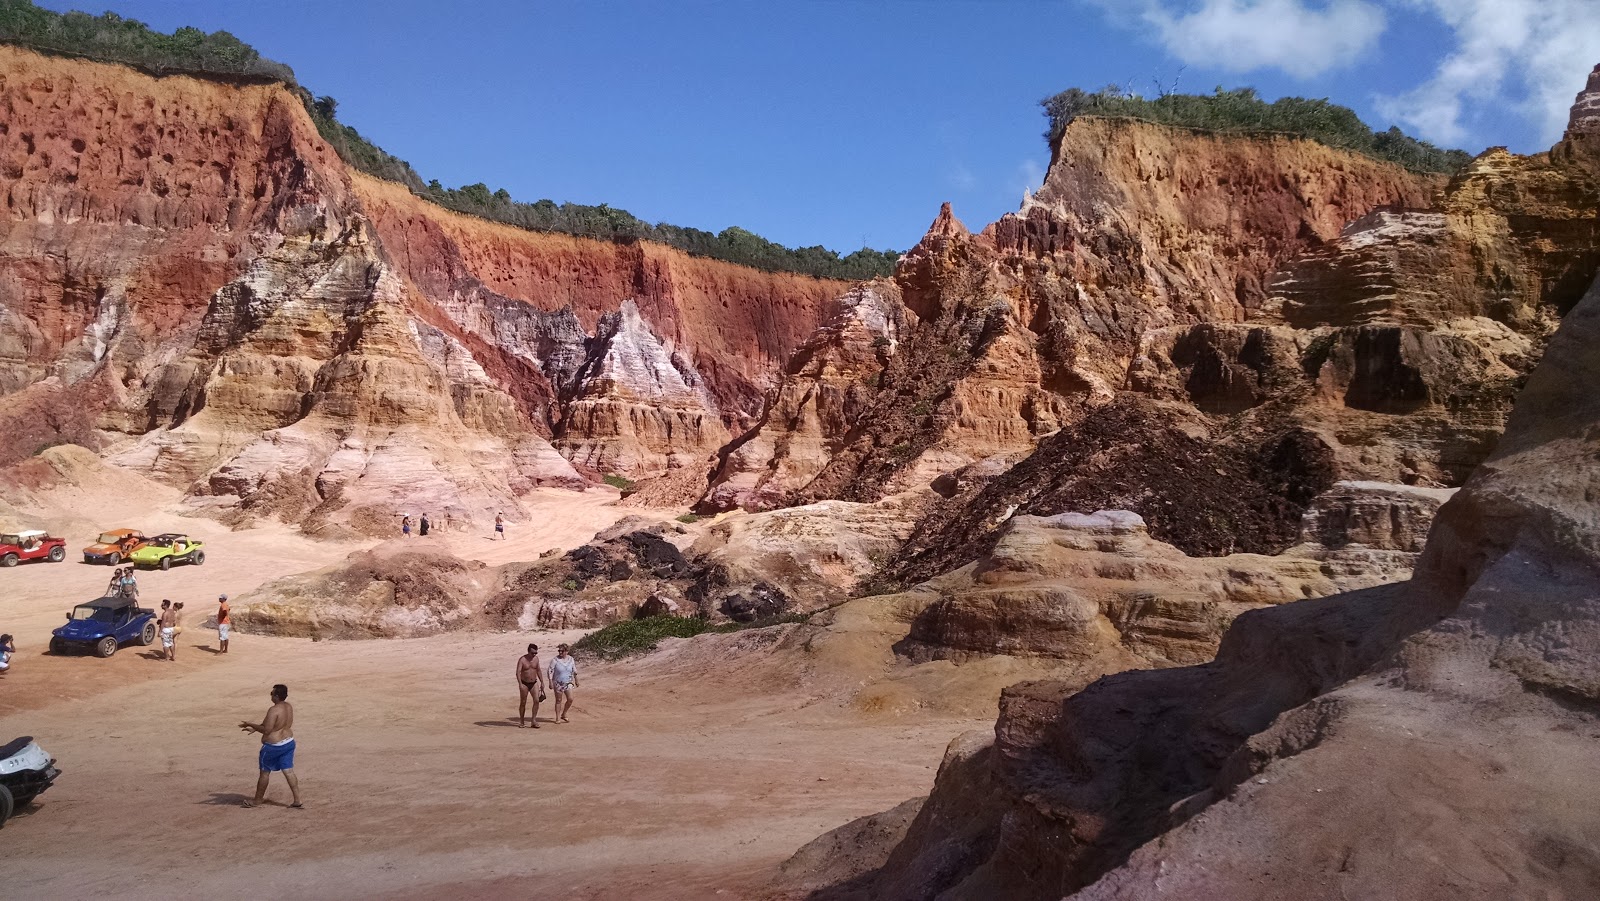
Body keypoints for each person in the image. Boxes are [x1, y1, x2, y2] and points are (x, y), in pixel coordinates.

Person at [239, 683, 302, 809]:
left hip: (273, 747)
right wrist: (255, 729)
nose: (271, 696)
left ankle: (257, 800)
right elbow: (273, 724)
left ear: (277, 696)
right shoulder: (288, 707)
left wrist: (250, 724)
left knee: (264, 773)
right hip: (288, 742)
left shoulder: (274, 710)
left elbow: (267, 730)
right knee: (288, 771)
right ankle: (297, 800)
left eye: (272, 694)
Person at [515, 643, 546, 728]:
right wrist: (520, 684)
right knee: (523, 702)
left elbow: (538, 670)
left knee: (536, 700)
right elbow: (518, 672)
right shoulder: (522, 660)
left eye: (536, 653)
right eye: (532, 653)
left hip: (534, 683)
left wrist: (542, 682)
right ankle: (521, 721)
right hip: (524, 683)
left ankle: (533, 720)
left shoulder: (536, 659)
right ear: (528, 651)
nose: (534, 654)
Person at [549, 643, 578, 724]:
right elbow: (550, 671)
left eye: (562, 651)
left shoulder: (571, 659)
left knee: (570, 699)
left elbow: (574, 670)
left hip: (568, 682)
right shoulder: (555, 660)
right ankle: (557, 717)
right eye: (559, 651)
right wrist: (550, 681)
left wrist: (576, 680)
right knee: (558, 700)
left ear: (566, 651)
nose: (560, 652)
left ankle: (564, 713)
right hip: (558, 683)